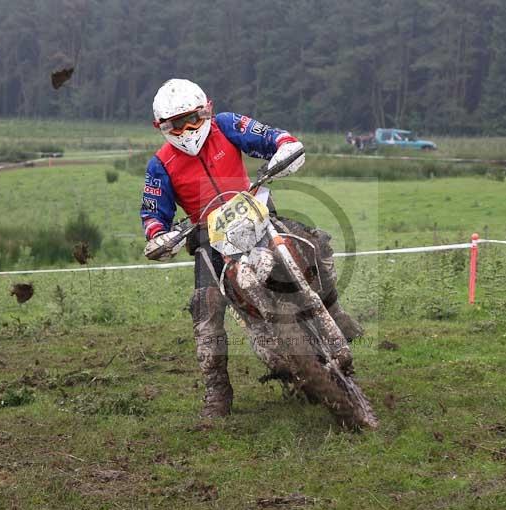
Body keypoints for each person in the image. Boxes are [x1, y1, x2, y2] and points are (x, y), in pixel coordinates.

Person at [140, 79, 362, 418]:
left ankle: (335, 311)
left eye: (193, 119)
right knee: (205, 311)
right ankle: (217, 389)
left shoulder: (227, 126)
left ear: (207, 110)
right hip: (209, 240)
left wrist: (285, 146)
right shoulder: (161, 165)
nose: (187, 129)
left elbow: (269, 136)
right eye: (176, 124)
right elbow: (154, 213)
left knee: (318, 243)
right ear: (162, 127)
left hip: (257, 217)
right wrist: (158, 235)